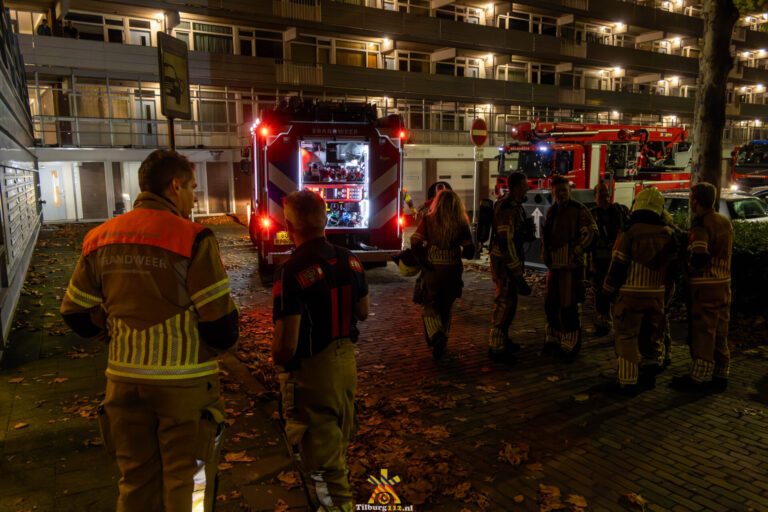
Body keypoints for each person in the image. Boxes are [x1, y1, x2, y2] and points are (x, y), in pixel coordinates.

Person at [60, 149, 239, 511]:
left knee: (135, 481)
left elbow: (74, 312)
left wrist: (112, 336)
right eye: (192, 187)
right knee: (189, 485)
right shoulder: (193, 238)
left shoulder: (100, 237)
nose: (194, 196)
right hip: (184, 388)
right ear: (174, 187)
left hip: (123, 384)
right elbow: (220, 326)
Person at [272, 190, 369, 512]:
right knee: (337, 450)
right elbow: (363, 312)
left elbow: (287, 343)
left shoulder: (291, 270)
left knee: (321, 466)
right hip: (346, 365)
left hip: (313, 372)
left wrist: (280, 364)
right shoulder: (350, 259)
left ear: (289, 224)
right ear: (325, 218)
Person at [602, 187, 677, 396]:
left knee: (626, 336)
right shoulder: (669, 233)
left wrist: (607, 291)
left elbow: (618, 265)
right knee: (651, 335)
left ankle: (627, 380)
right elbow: (673, 270)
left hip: (630, 294)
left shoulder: (629, 232)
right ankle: (650, 369)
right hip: (657, 296)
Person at [671, 182, 733, 392]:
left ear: (696, 200)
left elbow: (699, 254)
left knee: (703, 331)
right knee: (721, 330)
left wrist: (689, 267)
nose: (690, 200)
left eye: (691, 196)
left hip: (705, 287)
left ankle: (698, 376)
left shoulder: (701, 224)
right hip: (723, 283)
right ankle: (721, 372)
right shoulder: (725, 222)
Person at [411, 189, 474, 360]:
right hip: (453, 269)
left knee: (430, 305)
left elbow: (415, 241)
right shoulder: (461, 223)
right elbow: (469, 251)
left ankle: (436, 335)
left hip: (433, 269)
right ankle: (443, 340)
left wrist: (423, 258)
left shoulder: (429, 220)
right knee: (446, 306)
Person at [541, 176, 597, 360]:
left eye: (564, 190)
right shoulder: (551, 211)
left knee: (569, 304)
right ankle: (554, 337)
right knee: (551, 303)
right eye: (557, 191)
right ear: (553, 193)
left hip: (571, 266)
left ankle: (570, 341)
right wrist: (545, 253)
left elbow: (591, 231)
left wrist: (577, 250)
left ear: (570, 191)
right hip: (554, 266)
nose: (561, 194)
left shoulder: (579, 210)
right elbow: (547, 236)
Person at [487, 172, 533, 362]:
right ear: (515, 187)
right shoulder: (507, 207)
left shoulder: (514, 206)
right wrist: (517, 272)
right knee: (504, 301)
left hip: (509, 261)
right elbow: (506, 242)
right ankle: (496, 344)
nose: (527, 189)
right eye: (524, 186)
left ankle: (503, 339)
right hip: (505, 263)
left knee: (510, 301)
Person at [589, 181, 630, 337]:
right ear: (594, 197)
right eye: (601, 193)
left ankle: (620, 323)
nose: (605, 196)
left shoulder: (620, 211)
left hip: (618, 260)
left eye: (606, 192)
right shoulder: (591, 214)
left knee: (618, 293)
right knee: (600, 292)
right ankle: (603, 322)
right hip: (599, 261)